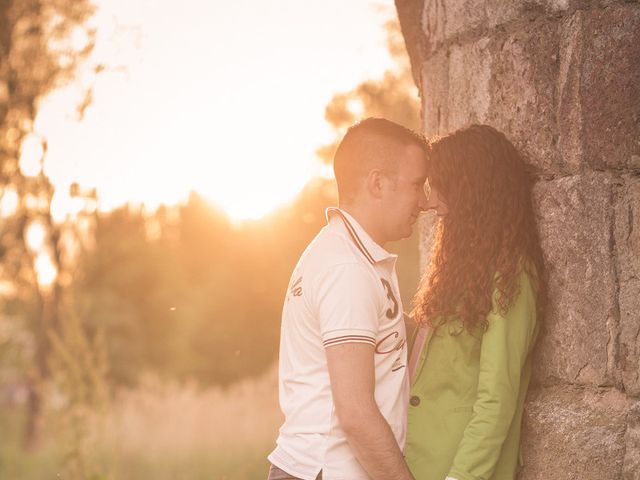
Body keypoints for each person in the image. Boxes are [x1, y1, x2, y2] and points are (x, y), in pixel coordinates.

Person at [267, 118, 429, 480]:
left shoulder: (351, 255)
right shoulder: (347, 268)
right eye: (416, 185)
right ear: (377, 183)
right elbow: (355, 413)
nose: (425, 201)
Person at [405, 124, 546, 480]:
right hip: (414, 464)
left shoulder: (512, 277)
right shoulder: (461, 270)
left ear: (473, 190)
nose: (429, 200)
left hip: (457, 470)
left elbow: (495, 399)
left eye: (440, 185)